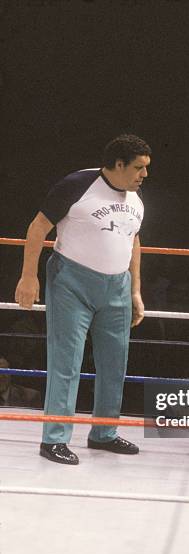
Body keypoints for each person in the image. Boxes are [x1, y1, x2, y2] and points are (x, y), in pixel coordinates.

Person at [15, 134, 151, 465]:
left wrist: (135, 289)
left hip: (117, 286)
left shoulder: (135, 198)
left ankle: (103, 432)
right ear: (119, 164)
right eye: (139, 167)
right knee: (66, 361)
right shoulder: (77, 184)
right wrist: (29, 276)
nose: (144, 174)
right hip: (71, 282)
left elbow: (133, 240)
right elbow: (38, 228)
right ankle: (55, 439)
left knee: (114, 362)